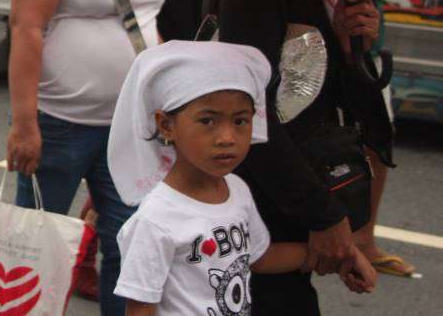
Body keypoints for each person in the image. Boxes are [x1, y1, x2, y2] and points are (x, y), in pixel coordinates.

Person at [202, 0, 392, 315]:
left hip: (286, 207)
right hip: (255, 211)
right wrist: (322, 215)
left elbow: (329, 96)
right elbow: (244, 107)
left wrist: (352, 47)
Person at [0, 0, 167, 315]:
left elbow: (148, 18)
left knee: (128, 245)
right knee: (36, 252)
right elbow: (27, 27)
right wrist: (25, 125)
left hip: (129, 127)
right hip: (60, 125)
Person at [109, 41, 375, 316]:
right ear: (166, 125)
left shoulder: (236, 190)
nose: (227, 138)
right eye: (208, 121)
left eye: (240, 121)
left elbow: (261, 257)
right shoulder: (154, 220)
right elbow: (140, 307)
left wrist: (342, 256)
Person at [324, 0, 417, 277]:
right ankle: (360, 235)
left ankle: (363, 233)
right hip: (357, 45)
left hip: (369, 37)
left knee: (378, 143)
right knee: (373, 144)